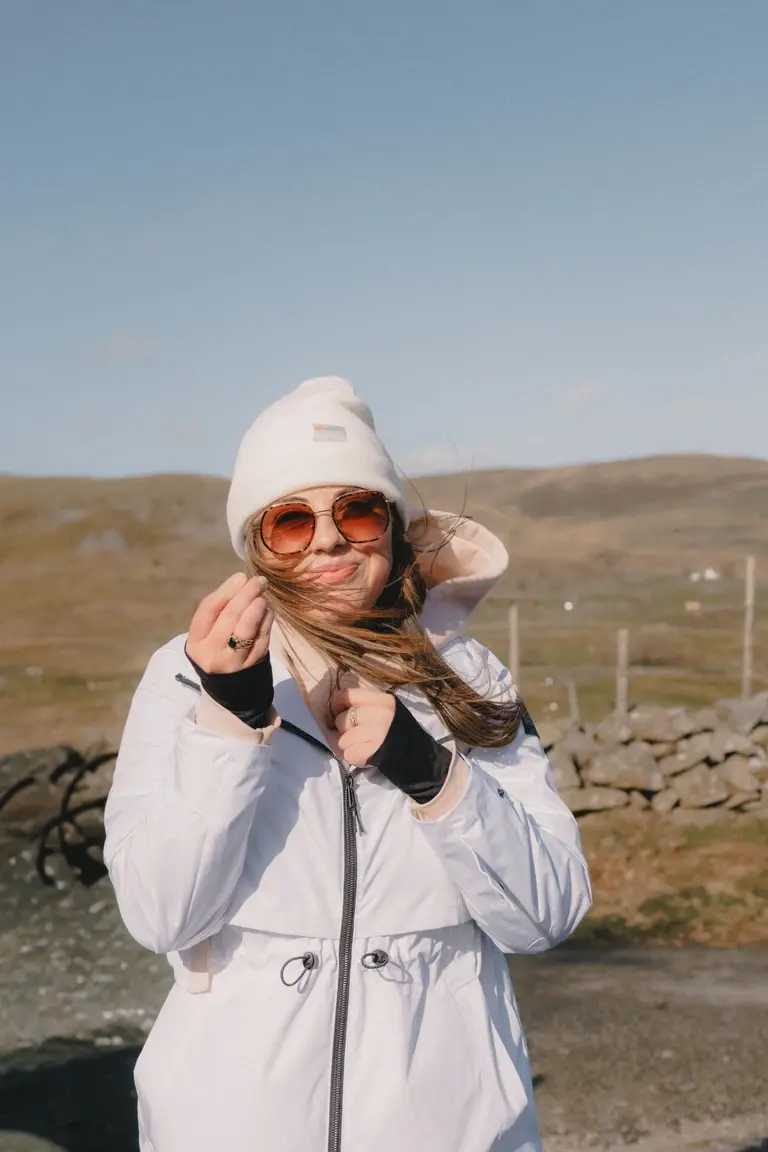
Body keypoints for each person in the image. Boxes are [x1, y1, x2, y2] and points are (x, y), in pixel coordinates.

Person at [104, 376, 592, 1152]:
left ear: (393, 530)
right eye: (292, 520)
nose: (328, 540)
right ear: (256, 545)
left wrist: (432, 774)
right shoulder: (183, 674)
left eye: (357, 510)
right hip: (229, 1126)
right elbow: (162, 914)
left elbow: (546, 916)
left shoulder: (472, 676)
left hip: (451, 1125)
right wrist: (228, 721)